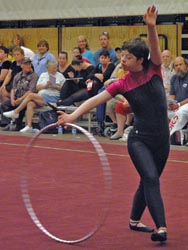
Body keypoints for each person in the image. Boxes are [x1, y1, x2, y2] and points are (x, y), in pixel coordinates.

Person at [58, 5, 169, 243]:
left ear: (141, 59)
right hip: (139, 138)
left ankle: (134, 220)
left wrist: (151, 27)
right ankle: (161, 228)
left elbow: (155, 49)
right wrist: (72, 117)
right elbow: (95, 99)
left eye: (128, 57)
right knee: (150, 178)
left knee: (148, 180)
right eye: (122, 56)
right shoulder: (122, 83)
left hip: (162, 139)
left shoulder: (154, 69)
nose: (123, 60)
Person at [3, 60, 65, 133]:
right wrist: (46, 85)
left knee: (30, 95)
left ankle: (16, 112)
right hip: (41, 97)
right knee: (30, 104)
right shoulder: (43, 75)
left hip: (53, 97)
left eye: (55, 68)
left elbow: (64, 89)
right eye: (52, 68)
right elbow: (37, 87)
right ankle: (29, 126)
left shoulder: (60, 76)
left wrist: (55, 86)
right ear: (48, 68)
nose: (54, 70)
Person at [0, 57, 38, 131]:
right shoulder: (17, 75)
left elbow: (31, 91)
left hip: (25, 99)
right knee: (4, 105)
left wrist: (20, 99)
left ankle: (18, 125)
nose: (28, 66)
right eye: (26, 64)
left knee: (22, 105)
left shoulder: (34, 76)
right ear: (21, 65)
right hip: (16, 97)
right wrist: (12, 99)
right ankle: (7, 124)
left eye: (29, 64)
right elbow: (13, 89)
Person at [168, 56, 188, 136]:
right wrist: (170, 103)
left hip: (185, 105)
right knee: (162, 111)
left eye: (180, 64)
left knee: (180, 112)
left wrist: (179, 105)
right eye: (176, 65)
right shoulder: (174, 78)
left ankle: (169, 135)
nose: (178, 67)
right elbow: (172, 95)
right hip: (177, 105)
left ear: (186, 65)